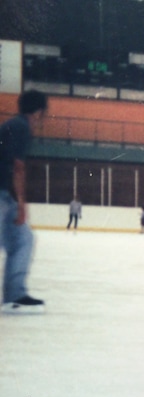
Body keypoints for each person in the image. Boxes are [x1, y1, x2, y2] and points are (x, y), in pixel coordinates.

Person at [0, 90, 48, 314]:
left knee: (23, 239)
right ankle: (14, 294)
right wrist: (22, 203)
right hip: (3, 195)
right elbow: (18, 167)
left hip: (4, 194)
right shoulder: (21, 128)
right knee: (21, 239)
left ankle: (15, 295)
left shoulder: (13, 125)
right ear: (38, 112)